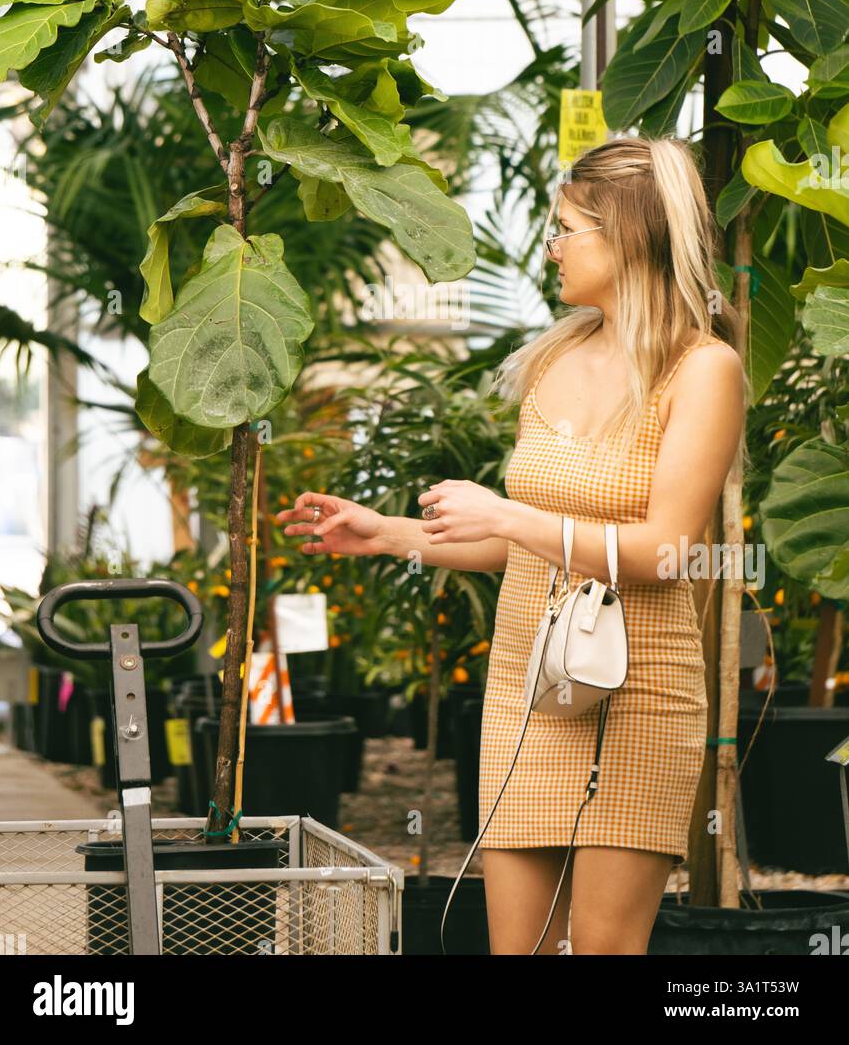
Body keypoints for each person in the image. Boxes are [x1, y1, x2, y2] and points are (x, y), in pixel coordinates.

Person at [275, 134, 747, 955]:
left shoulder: (703, 370)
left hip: (637, 693)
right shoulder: (555, 358)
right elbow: (526, 546)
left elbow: (667, 549)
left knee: (602, 950)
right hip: (529, 688)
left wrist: (509, 516)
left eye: (568, 227)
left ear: (628, 236)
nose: (552, 245)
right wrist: (388, 535)